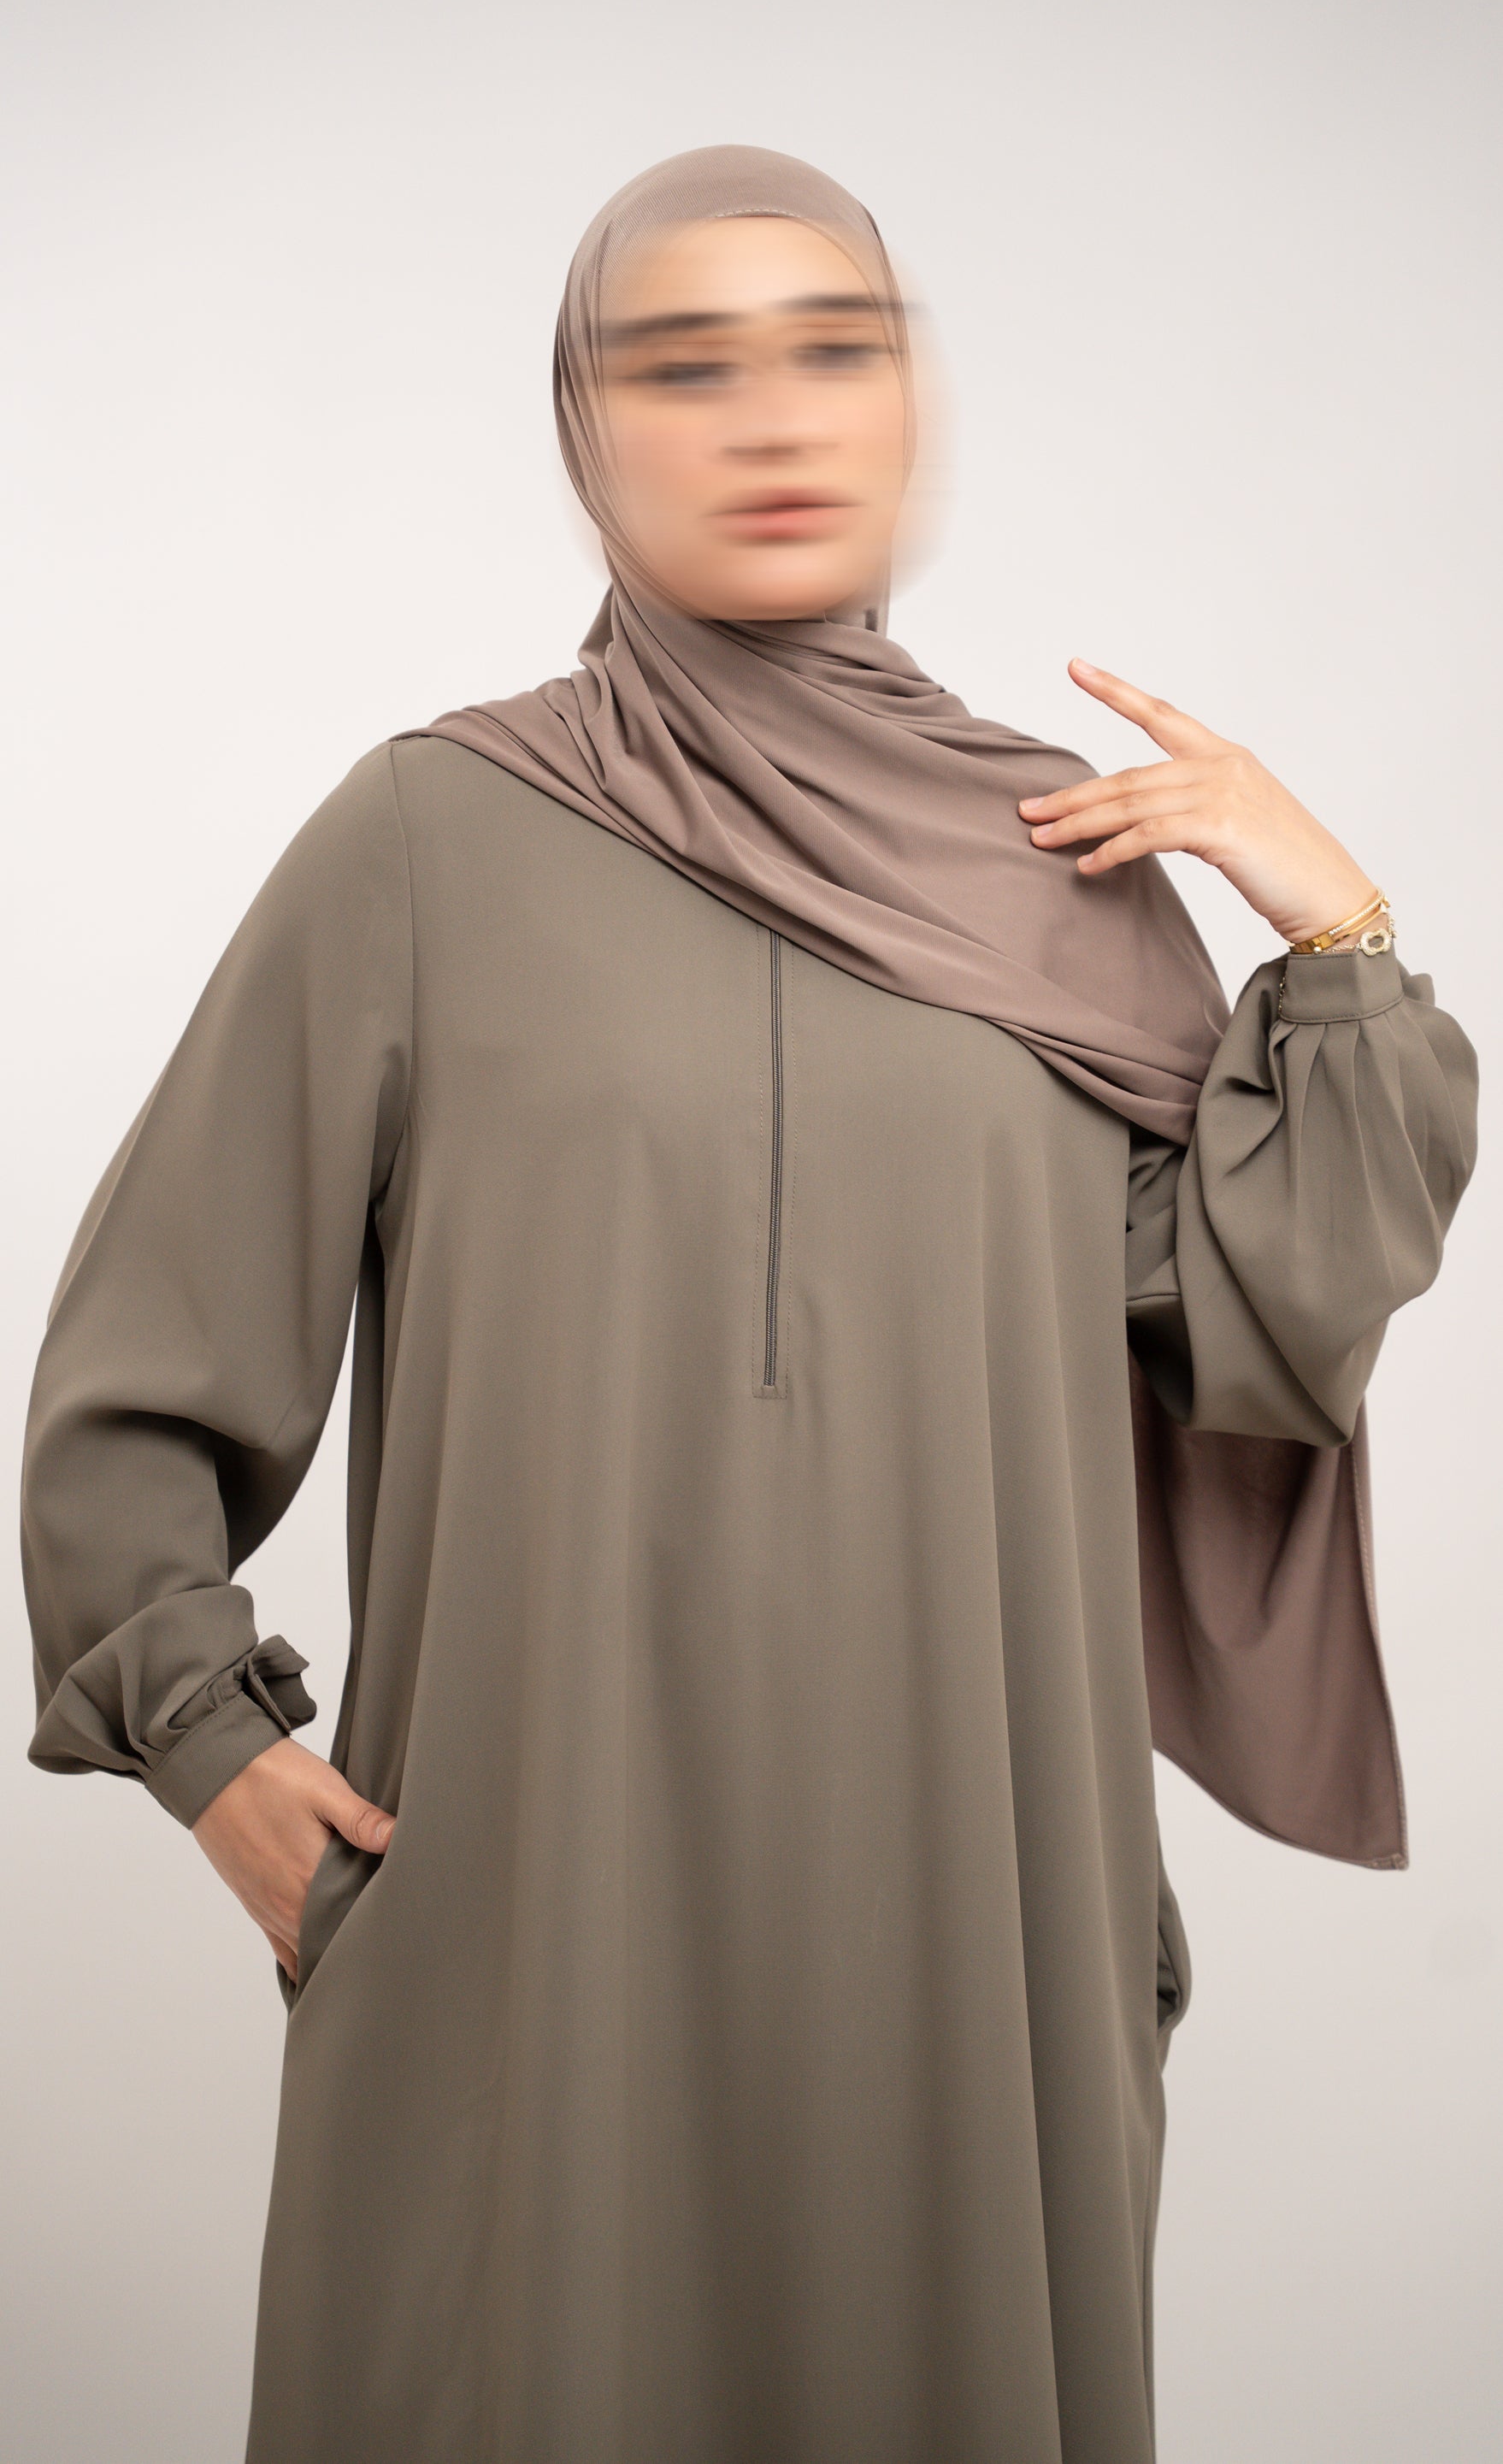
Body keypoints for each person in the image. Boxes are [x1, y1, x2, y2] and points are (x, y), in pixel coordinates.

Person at [20, 144, 1477, 2464]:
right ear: (582, 430)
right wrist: (210, 1751)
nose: (774, 416)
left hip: (974, 1933)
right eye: (681, 365)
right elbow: (141, 1366)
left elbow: (1253, 1341)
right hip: (532, 1940)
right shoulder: (430, 836)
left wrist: (1337, 939)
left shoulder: (1063, 873)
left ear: (914, 406)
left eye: (836, 349)